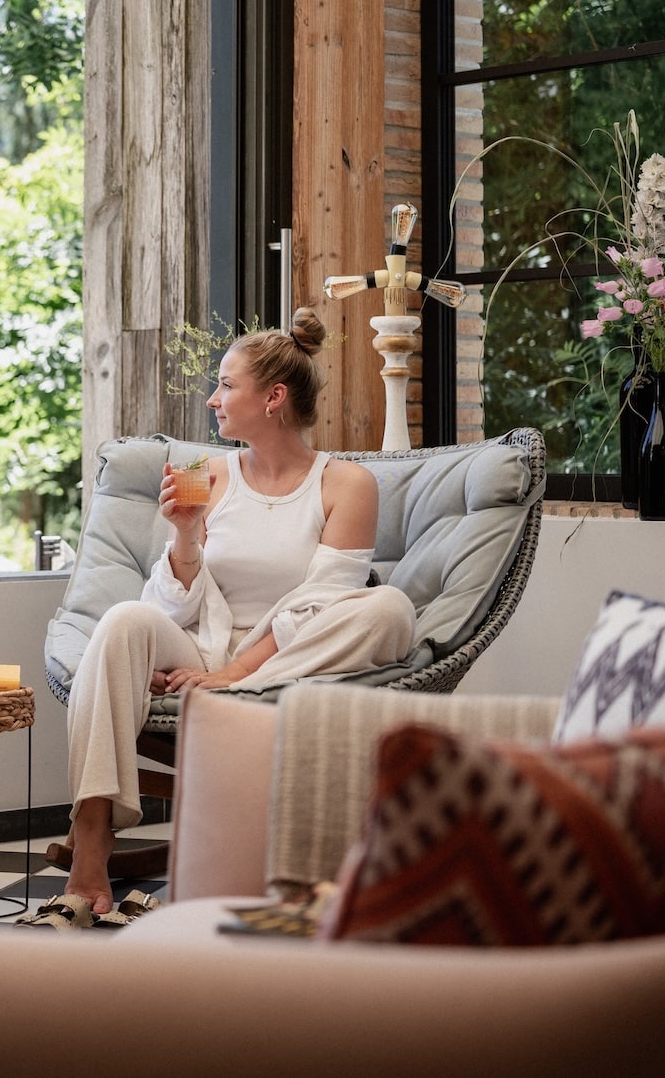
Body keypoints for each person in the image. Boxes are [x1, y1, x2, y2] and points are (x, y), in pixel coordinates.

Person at [29, 309, 417, 927]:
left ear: (274, 398)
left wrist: (234, 675)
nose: (213, 399)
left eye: (226, 386)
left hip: (288, 655)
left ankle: (240, 696)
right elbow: (170, 607)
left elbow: (321, 605)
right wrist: (184, 538)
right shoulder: (208, 473)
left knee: (388, 609)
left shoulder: (347, 484)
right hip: (200, 645)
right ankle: (93, 834)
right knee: (125, 620)